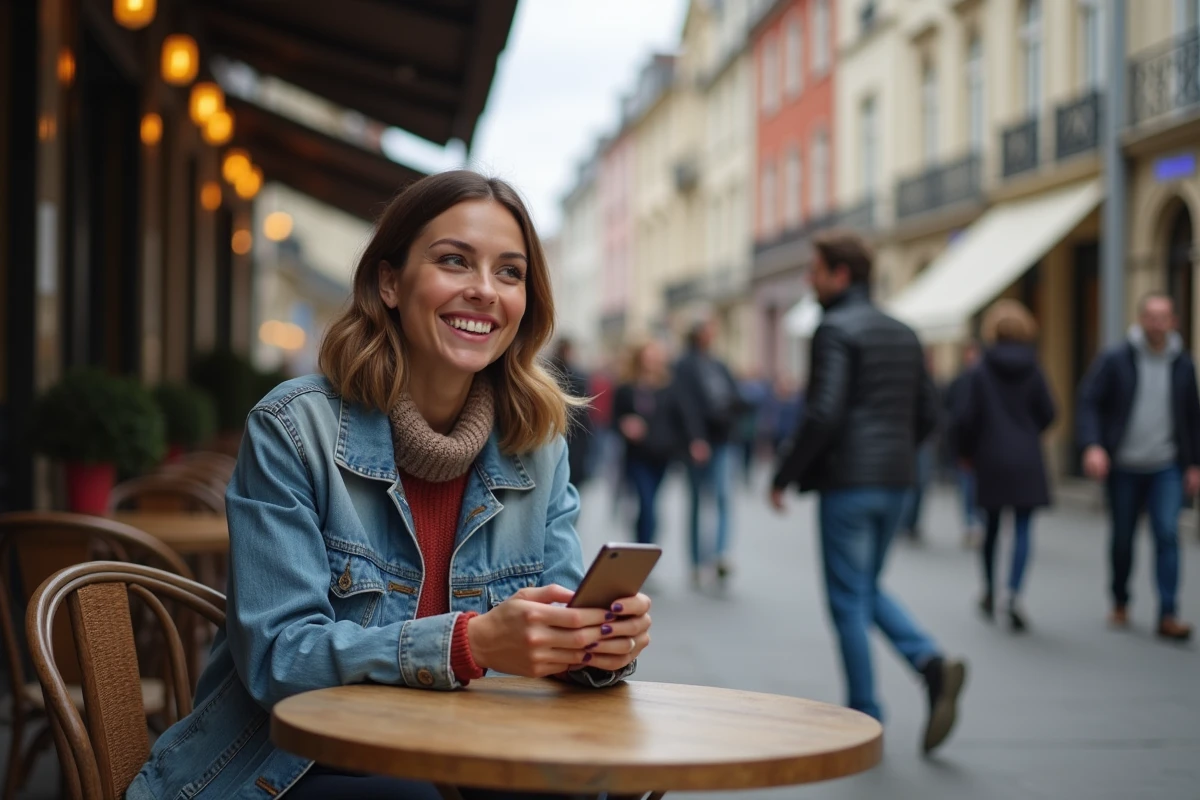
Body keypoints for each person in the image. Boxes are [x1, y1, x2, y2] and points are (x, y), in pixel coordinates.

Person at [127, 171, 652, 800]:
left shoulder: (537, 448)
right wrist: (469, 643)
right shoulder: (293, 430)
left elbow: (554, 628)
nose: (485, 290)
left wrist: (598, 646)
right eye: (455, 261)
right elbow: (280, 661)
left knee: (583, 789)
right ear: (389, 282)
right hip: (291, 766)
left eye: (510, 273)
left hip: (473, 754)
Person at [768, 230, 966, 755]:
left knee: (847, 600)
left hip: (850, 484)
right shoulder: (903, 330)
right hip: (896, 482)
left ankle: (865, 715)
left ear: (841, 275)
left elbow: (823, 411)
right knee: (866, 587)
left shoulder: (833, 328)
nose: (809, 279)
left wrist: (784, 473)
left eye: (815, 270)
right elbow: (929, 413)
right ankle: (930, 663)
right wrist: (899, 455)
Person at [1077, 292, 1199, 641]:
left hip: (1166, 464)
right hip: (1124, 464)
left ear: (1173, 321)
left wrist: (1194, 464)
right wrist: (1094, 446)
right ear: (1141, 319)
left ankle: (1168, 612)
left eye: (1164, 317)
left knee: (1167, 533)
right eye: (1151, 316)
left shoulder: (1183, 363)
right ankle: (1120, 598)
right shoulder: (1116, 358)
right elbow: (1089, 401)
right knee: (1123, 537)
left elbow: (1192, 416)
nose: (1157, 323)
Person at [951, 301, 1055, 632]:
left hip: (991, 457)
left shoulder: (980, 371)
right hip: (1026, 458)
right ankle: (1013, 593)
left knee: (992, 528)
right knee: (1023, 528)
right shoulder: (1035, 369)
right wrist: (1028, 433)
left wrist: (966, 453)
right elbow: (1050, 412)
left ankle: (989, 590)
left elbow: (965, 418)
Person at [672, 318, 743, 587]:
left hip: (724, 439)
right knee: (697, 502)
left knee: (723, 496)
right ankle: (696, 563)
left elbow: (735, 395)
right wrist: (695, 438)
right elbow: (685, 404)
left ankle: (720, 554)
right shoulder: (684, 365)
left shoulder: (718, 364)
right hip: (700, 443)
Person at [613, 340, 683, 546]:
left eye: (656, 355)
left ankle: (644, 548)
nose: (652, 359)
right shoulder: (626, 387)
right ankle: (643, 547)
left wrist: (692, 442)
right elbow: (614, 419)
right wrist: (625, 425)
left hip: (662, 455)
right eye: (648, 355)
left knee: (652, 504)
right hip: (637, 456)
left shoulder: (669, 386)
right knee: (647, 503)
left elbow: (680, 417)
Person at [943, 340, 984, 548]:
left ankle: (978, 524)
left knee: (978, 488)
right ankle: (971, 524)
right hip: (965, 446)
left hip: (982, 447)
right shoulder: (960, 382)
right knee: (967, 488)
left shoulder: (983, 381)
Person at [549, 337, 594, 488]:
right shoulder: (578, 376)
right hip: (573, 435)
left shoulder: (547, 373)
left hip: (555, 434)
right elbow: (583, 416)